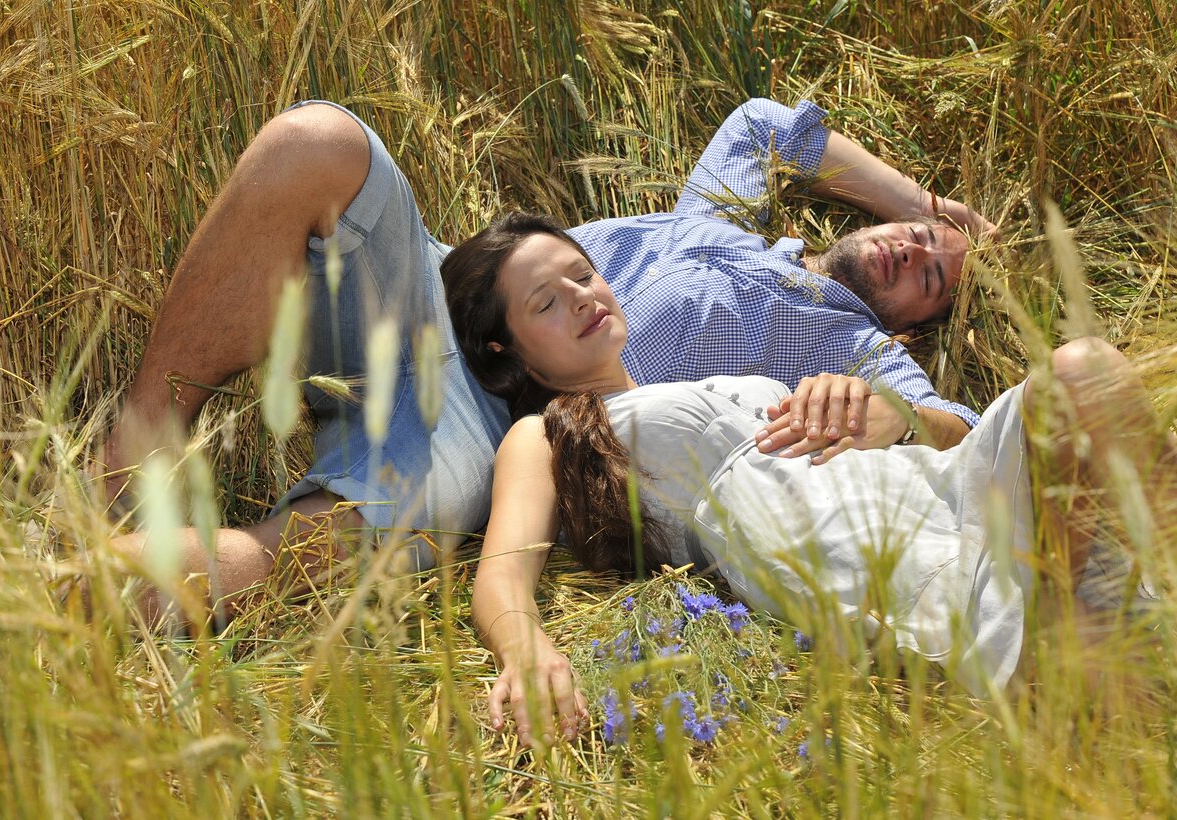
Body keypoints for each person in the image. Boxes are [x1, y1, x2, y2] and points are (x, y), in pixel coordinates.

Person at [98, 96, 993, 610]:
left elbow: (965, 430)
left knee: (300, 554)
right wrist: (935, 207)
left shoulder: (850, 342)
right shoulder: (715, 215)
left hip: (497, 424)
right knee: (320, 143)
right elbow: (770, 125)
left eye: (930, 279)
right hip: (444, 285)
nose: (913, 255)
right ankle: (118, 466)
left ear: (913, 326)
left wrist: (899, 411)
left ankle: (60, 593)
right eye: (916, 237)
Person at [441, 213, 1173, 745]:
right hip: (850, 545)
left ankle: (1097, 637)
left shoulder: (717, 377)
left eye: (582, 274)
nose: (581, 296)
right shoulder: (547, 434)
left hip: (935, 484)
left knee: (1089, 372)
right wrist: (526, 649)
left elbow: (959, 430)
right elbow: (503, 574)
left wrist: (886, 410)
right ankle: (1082, 649)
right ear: (507, 349)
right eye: (546, 301)